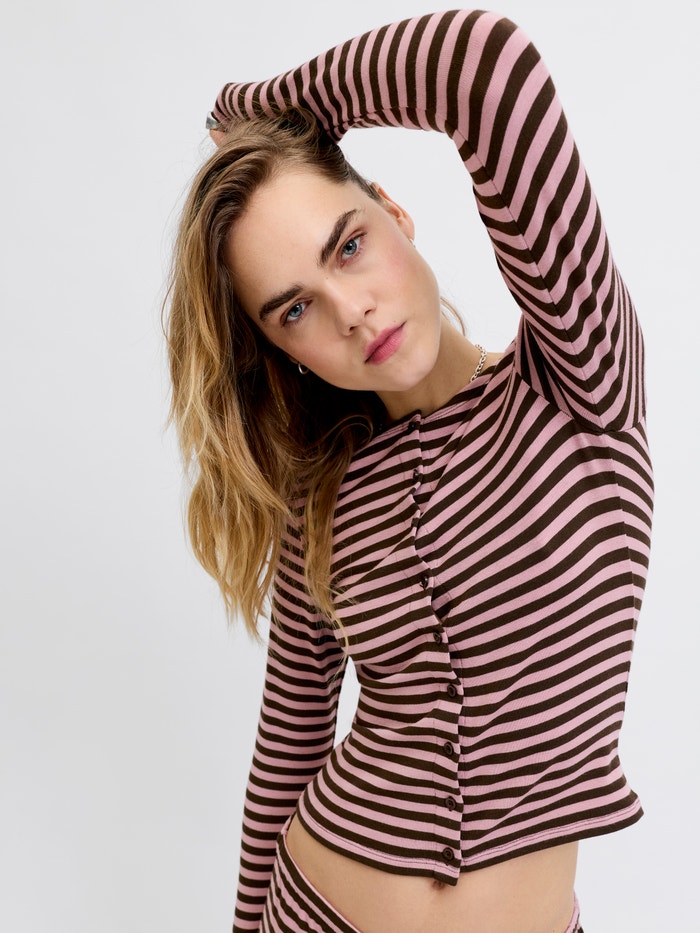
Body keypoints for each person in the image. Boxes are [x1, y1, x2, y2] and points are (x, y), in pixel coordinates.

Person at [166, 10, 653, 933]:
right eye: (295, 308)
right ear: (283, 350)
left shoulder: (580, 381)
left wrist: (268, 107)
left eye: (348, 245)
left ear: (394, 212)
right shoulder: (321, 496)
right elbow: (290, 740)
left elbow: (484, 65)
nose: (350, 310)